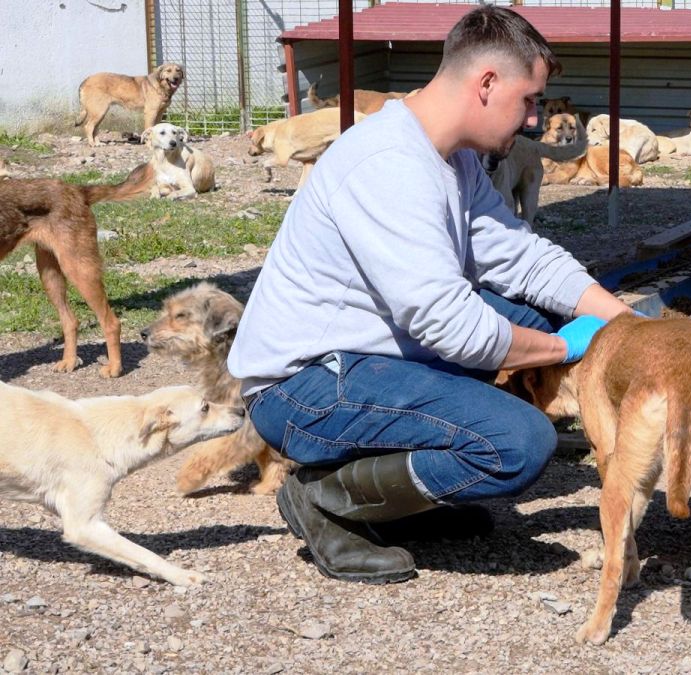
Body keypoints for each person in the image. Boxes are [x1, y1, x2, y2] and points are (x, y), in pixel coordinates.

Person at [227, 6, 632, 584]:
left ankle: (394, 505)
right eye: (530, 100)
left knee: (541, 315)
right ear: (486, 84)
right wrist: (558, 349)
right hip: (304, 387)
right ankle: (325, 500)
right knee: (517, 443)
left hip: (363, 358)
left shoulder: (453, 159)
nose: (536, 120)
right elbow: (449, 324)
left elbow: (520, 255)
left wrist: (624, 322)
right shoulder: (389, 164)